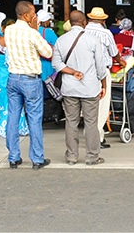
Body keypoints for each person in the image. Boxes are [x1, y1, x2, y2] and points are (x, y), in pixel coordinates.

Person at [53, 10, 109, 166]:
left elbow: (56, 65)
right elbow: (100, 67)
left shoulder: (61, 41)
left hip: (69, 88)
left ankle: (71, 156)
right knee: (91, 122)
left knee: (71, 122)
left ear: (70, 23)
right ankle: (92, 157)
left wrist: (72, 72)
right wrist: (103, 85)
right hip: (90, 88)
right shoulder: (93, 40)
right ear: (84, 22)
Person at [3, 1, 53, 169]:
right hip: (30, 80)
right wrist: (36, 29)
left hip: (13, 78)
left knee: (13, 117)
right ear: (26, 16)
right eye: (33, 13)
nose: (35, 17)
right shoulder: (32, 33)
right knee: (34, 119)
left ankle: (13, 157)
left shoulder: (8, 30)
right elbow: (48, 52)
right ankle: (37, 159)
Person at [85, 7, 120, 150]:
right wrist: (121, 61)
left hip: (85, 72)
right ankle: (96, 138)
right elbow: (114, 52)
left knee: (88, 105)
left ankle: (92, 134)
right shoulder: (105, 33)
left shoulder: (83, 31)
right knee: (102, 105)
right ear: (103, 20)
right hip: (101, 73)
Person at [36, 10, 58, 81]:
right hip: (47, 64)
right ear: (45, 22)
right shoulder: (49, 32)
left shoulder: (32, 31)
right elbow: (57, 47)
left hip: (36, 63)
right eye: (48, 20)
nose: (49, 22)